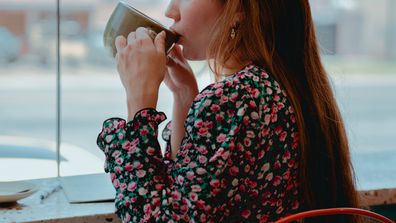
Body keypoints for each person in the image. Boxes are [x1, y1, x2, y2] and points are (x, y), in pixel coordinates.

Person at [97, 0, 361, 222]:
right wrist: (184, 95)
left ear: (239, 10)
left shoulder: (234, 97)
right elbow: (188, 188)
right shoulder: (276, 84)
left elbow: (156, 217)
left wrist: (139, 99)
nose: (170, 11)